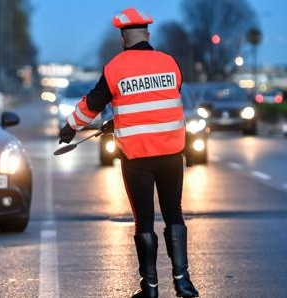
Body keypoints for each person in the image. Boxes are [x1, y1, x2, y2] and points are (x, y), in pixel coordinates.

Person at [58, 7, 199, 298]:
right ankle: (183, 282)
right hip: (171, 154)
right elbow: (159, 101)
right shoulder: (170, 63)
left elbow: (92, 104)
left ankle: (149, 288)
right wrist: (120, 117)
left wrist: (70, 127)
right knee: (174, 213)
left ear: (123, 39)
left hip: (137, 159)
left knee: (144, 219)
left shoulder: (115, 68)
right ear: (148, 34)